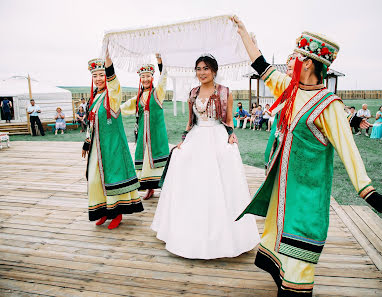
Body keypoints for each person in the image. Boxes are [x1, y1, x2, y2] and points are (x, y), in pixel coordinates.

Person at [233, 16, 382, 296]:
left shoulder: (329, 105)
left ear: (307, 62)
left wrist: (369, 193)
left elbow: (348, 148)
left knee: (301, 245)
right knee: (278, 237)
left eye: (295, 56)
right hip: (284, 188)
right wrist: (244, 34)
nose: (290, 60)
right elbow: (261, 65)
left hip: (309, 191)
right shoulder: (290, 89)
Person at [151, 54, 260, 259]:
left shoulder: (225, 92)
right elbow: (190, 121)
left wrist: (231, 135)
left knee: (218, 184)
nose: (202, 73)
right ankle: (186, 232)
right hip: (197, 136)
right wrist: (183, 140)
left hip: (217, 136)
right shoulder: (193, 93)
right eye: (199, 69)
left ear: (214, 71)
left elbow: (228, 120)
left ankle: (224, 237)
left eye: (206, 68)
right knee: (186, 170)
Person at [81, 53, 142, 230]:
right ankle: (103, 211)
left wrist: (109, 64)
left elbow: (114, 85)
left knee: (112, 177)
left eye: (101, 75)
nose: (99, 79)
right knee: (95, 180)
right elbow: (91, 121)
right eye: (95, 76)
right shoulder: (94, 98)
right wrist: (86, 142)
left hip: (112, 146)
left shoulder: (112, 96)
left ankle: (117, 212)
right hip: (97, 148)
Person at [120, 54, 169, 201]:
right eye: (143, 77)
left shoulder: (157, 93)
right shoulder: (138, 97)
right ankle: (150, 188)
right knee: (145, 160)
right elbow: (124, 107)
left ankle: (166, 188)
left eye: (148, 76)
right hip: (143, 134)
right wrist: (112, 109)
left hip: (156, 133)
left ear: (152, 77)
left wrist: (160, 62)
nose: (145, 79)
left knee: (158, 160)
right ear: (140, 79)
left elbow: (164, 78)